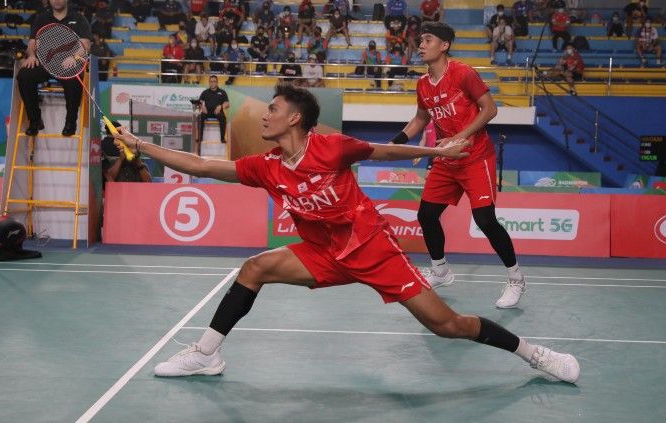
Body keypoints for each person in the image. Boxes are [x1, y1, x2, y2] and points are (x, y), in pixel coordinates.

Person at [113, 83, 580, 384]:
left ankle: (535, 354)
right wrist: (141, 144)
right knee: (254, 267)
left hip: (372, 249)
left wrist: (440, 151)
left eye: (272, 109)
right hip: (322, 253)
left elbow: (381, 151)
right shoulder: (266, 168)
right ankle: (205, 354)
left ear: (295, 118)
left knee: (447, 325)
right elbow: (199, 164)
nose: (264, 115)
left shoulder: (331, 148)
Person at [392, 22, 527, 308]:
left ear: (444, 45)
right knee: (426, 215)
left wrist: (459, 136)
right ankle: (440, 270)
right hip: (446, 160)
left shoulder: (463, 73)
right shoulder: (422, 84)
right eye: (420, 40)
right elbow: (421, 119)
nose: (421, 45)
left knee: (485, 220)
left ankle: (516, 279)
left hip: (475, 157)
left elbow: (490, 108)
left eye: (427, 40)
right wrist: (396, 142)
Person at [17, 0, 91, 137]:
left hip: (69, 64)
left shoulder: (79, 19)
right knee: (24, 76)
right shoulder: (41, 18)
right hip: (45, 63)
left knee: (75, 79)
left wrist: (74, 57)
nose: (57, 0)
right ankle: (35, 121)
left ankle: (70, 122)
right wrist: (31, 55)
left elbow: (85, 45)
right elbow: (32, 43)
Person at [198, 75, 229, 143]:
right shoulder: (205, 92)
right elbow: (199, 103)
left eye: (214, 81)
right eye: (211, 81)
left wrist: (221, 106)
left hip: (217, 113)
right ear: (209, 82)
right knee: (200, 116)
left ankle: (222, 138)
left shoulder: (222, 92)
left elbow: (227, 104)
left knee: (222, 117)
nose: (212, 83)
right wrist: (202, 107)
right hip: (207, 112)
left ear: (217, 82)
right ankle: (200, 137)